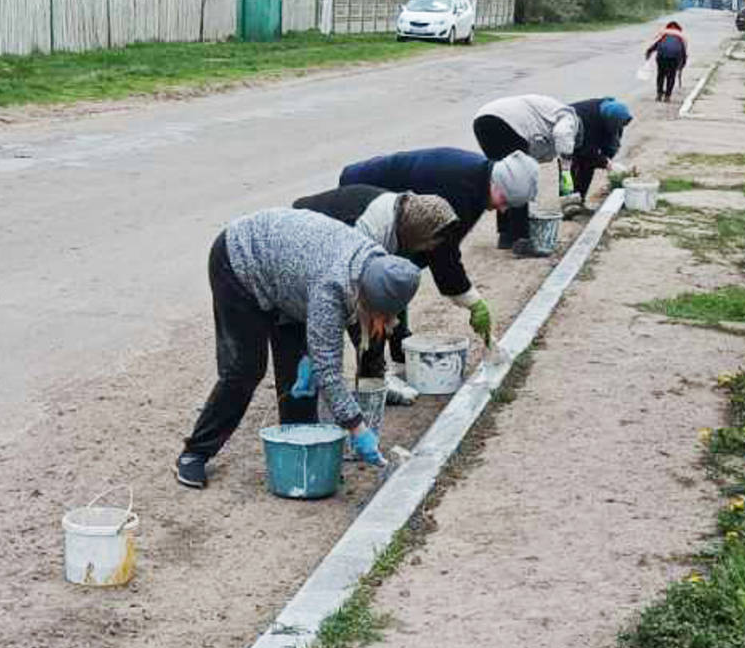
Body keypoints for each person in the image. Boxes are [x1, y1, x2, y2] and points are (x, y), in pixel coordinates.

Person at [174, 208, 422, 490]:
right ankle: (194, 453)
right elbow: (329, 371)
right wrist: (358, 427)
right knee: (245, 368)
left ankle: (302, 460)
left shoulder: (376, 263)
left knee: (298, 378)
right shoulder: (331, 288)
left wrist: (310, 358)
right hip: (240, 261)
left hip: (290, 280)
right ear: (368, 297)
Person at [338, 147, 538, 371]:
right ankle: (373, 374)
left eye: (509, 205)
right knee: (379, 283)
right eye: (505, 199)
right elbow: (444, 255)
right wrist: (473, 302)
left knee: (401, 271)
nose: (502, 209)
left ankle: (401, 347)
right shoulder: (461, 188)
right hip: (362, 195)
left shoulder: (479, 182)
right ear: (497, 182)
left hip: (389, 200)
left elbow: (439, 249)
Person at [291, 186, 461, 401]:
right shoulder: (367, 230)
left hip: (335, 236)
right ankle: (369, 386)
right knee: (351, 318)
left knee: (375, 310)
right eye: (426, 242)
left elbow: (389, 294)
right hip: (306, 236)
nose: (427, 249)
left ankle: (369, 382)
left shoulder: (402, 216)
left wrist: (397, 332)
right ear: (415, 232)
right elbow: (357, 304)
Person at [472, 94, 582, 249]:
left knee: (504, 179)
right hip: (507, 123)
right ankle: (521, 239)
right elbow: (562, 135)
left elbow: (536, 150)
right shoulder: (569, 118)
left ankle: (505, 235)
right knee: (519, 181)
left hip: (483, 120)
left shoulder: (548, 115)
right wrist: (566, 164)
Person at [567, 98, 635, 202]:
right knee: (568, 167)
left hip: (590, 131)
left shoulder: (616, 117)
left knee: (589, 165)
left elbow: (613, 139)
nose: (620, 127)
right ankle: (567, 201)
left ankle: (580, 199)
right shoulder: (587, 117)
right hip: (568, 133)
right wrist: (606, 163)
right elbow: (586, 149)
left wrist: (609, 159)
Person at [647, 21, 689, 102]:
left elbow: (655, 45)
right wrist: (682, 65)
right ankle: (667, 96)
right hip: (674, 58)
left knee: (661, 75)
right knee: (671, 76)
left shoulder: (664, 34)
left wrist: (648, 53)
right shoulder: (680, 37)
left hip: (661, 57)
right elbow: (683, 52)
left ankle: (659, 95)